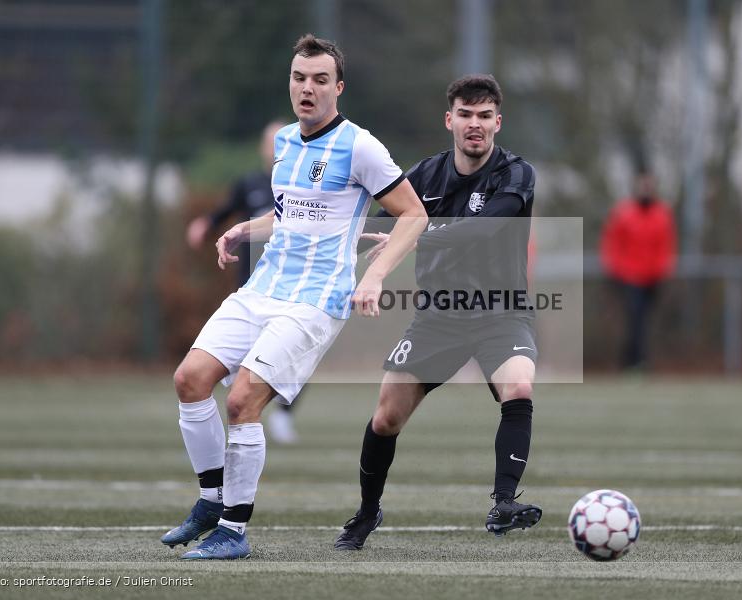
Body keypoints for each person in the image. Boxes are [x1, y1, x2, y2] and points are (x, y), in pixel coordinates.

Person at [163, 34, 427, 560]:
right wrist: (244, 229)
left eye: (320, 80)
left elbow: (414, 213)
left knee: (241, 401)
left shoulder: (360, 147)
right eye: (299, 78)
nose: (307, 89)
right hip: (264, 287)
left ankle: (233, 532)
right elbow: (293, 213)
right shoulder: (285, 141)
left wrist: (373, 277)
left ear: (338, 87)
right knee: (190, 380)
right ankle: (211, 500)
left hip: (315, 299)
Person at [334, 74, 541, 551]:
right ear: (449, 120)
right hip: (437, 318)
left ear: (497, 123)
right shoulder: (423, 176)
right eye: (466, 115)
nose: (475, 125)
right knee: (386, 417)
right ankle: (367, 513)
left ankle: (504, 502)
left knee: (519, 385)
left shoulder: (516, 174)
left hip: (501, 313)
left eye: (485, 116)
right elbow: (373, 222)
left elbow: (483, 230)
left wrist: (415, 235)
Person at [186, 121, 300, 445]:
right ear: (263, 148)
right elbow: (225, 211)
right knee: (234, 369)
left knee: (295, 356)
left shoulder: (303, 186)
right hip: (251, 283)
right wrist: (206, 225)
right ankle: (223, 433)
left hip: (292, 288)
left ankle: (282, 415)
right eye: (272, 142)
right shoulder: (249, 184)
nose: (277, 149)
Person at [600, 172, 676, 370]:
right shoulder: (623, 213)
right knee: (635, 319)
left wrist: (662, 270)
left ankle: (635, 360)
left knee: (643, 320)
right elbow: (612, 244)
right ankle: (635, 362)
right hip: (629, 277)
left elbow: (665, 246)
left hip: (652, 278)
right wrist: (617, 269)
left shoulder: (661, 214)